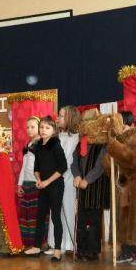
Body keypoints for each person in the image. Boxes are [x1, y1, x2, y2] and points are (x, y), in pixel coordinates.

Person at [24, 115, 68, 261]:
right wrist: (38, 180)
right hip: (43, 185)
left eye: (47, 128)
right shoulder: (38, 146)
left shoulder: (55, 144)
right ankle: (36, 246)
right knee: (40, 216)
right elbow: (36, 168)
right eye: (41, 127)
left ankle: (57, 249)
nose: (43, 130)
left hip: (55, 185)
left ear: (53, 130)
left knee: (55, 217)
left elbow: (63, 167)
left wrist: (47, 181)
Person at [105, 111, 136, 264]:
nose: (122, 130)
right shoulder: (115, 141)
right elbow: (108, 167)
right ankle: (125, 250)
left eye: (124, 126)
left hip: (133, 184)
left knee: (134, 218)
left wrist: (116, 147)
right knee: (121, 217)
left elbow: (135, 161)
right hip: (120, 185)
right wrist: (108, 159)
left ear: (132, 125)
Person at [72, 110, 110, 261]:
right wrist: (77, 175)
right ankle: (81, 248)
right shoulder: (81, 143)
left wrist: (87, 180)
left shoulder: (102, 145)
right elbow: (74, 162)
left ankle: (93, 250)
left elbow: (100, 166)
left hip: (95, 188)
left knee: (94, 221)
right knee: (81, 220)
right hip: (82, 189)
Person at [0, 123, 24, 256]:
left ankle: (5, 247)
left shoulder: (2, 157)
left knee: (2, 220)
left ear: (0, 141)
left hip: (0, 196)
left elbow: (4, 181)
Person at [45, 106, 79, 256]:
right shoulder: (56, 137)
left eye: (61, 116)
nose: (58, 118)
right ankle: (56, 244)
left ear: (70, 118)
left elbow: (68, 159)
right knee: (55, 211)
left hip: (68, 179)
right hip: (55, 179)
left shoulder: (76, 137)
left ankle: (70, 243)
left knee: (68, 210)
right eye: (58, 115)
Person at [17, 116, 43, 248]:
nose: (29, 130)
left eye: (33, 127)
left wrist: (40, 181)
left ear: (39, 128)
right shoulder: (27, 145)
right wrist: (19, 184)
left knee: (36, 215)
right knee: (26, 215)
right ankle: (28, 242)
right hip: (26, 183)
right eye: (27, 127)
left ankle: (38, 243)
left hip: (36, 183)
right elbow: (24, 166)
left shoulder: (42, 144)